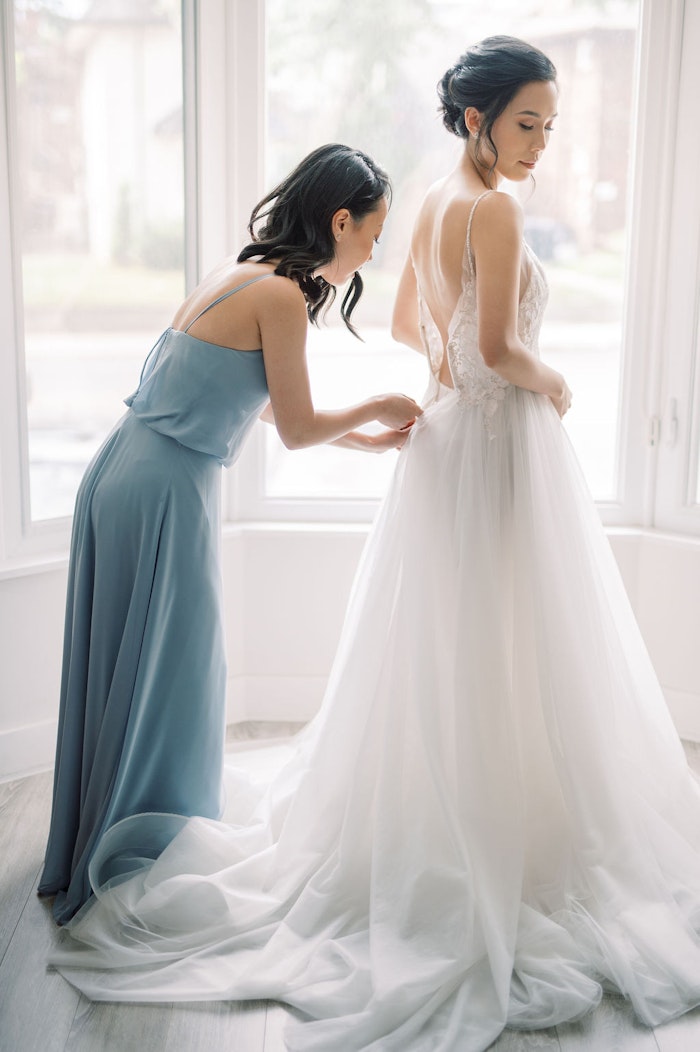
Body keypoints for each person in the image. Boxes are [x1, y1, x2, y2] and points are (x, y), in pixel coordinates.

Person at [47, 38, 700, 1052]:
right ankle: (498, 824)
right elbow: (489, 350)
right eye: (526, 122)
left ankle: (432, 815)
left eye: (549, 126)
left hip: (442, 441)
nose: (538, 143)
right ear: (478, 119)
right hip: (490, 441)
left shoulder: (437, 201)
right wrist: (548, 382)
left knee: (448, 642)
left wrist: (421, 397)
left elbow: (408, 325)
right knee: (510, 640)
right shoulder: (487, 208)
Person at [38, 143, 422, 926]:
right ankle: (148, 834)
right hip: (164, 487)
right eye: (374, 235)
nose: (375, 252)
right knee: (176, 666)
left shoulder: (243, 271)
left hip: (127, 470)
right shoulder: (281, 295)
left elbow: (268, 408)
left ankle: (118, 819)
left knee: (140, 661)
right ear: (340, 220)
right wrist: (379, 404)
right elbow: (299, 427)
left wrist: (368, 442)